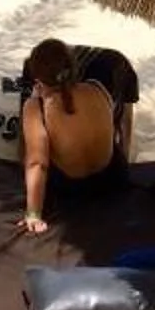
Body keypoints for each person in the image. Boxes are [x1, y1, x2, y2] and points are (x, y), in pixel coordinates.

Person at [18, 38, 131, 234]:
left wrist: (33, 214)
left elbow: (37, 163)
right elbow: (110, 128)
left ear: (38, 79)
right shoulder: (97, 87)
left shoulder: (36, 107)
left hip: (72, 190)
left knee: (33, 149)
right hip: (113, 178)